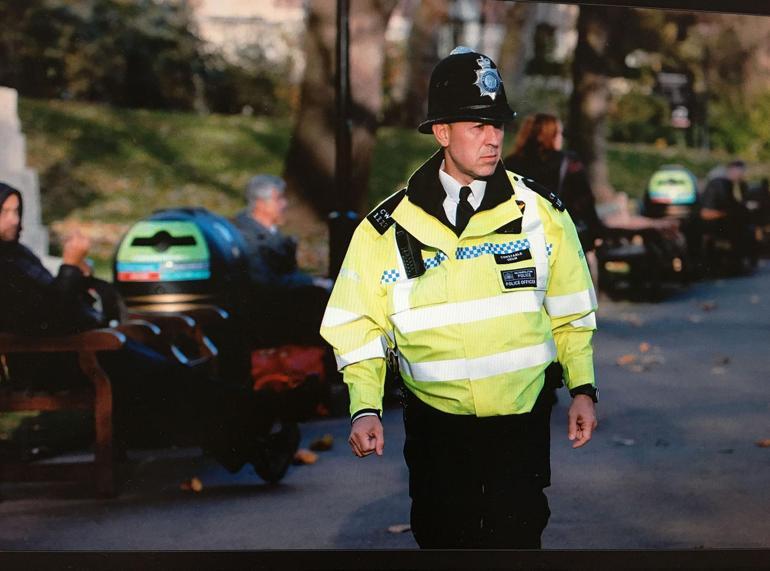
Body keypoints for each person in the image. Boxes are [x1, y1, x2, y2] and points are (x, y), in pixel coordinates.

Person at [320, 47, 598, 549]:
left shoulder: (541, 214)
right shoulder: (386, 228)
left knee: (518, 543)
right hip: (436, 430)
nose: (493, 139)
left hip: (522, 424)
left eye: (498, 124)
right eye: (476, 125)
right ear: (442, 132)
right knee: (445, 543)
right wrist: (364, 407)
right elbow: (355, 323)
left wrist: (583, 387)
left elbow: (573, 312)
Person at [0, 182, 300, 481]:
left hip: (87, 347)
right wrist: (68, 267)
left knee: (173, 377)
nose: (14, 219)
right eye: (5, 212)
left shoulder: (17, 254)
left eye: (16, 211)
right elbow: (45, 319)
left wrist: (79, 276)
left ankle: (257, 438)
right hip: (53, 360)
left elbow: (57, 307)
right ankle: (263, 419)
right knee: (168, 382)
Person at [232, 175, 331, 346]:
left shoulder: (269, 232)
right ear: (261, 204)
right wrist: (313, 282)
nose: (284, 204)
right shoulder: (246, 236)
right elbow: (266, 282)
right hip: (264, 316)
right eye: (278, 199)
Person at [700, 160, 756, 272]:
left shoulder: (727, 183)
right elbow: (707, 211)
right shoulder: (720, 184)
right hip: (715, 223)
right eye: (741, 172)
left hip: (718, 222)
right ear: (733, 170)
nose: (742, 175)